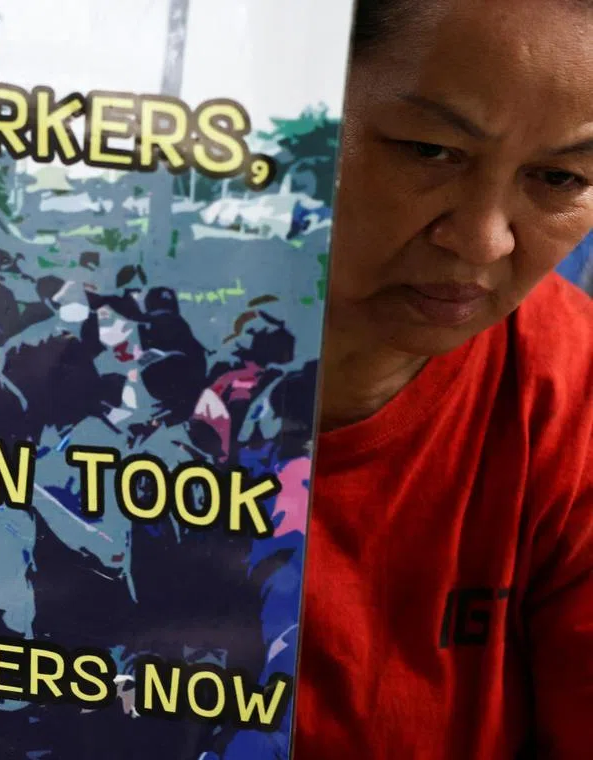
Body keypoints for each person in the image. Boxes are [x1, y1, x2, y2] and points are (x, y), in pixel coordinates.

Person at [295, 0, 593, 758]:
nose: (482, 239)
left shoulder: (569, 394)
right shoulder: (78, 372)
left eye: (559, 177)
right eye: (429, 151)